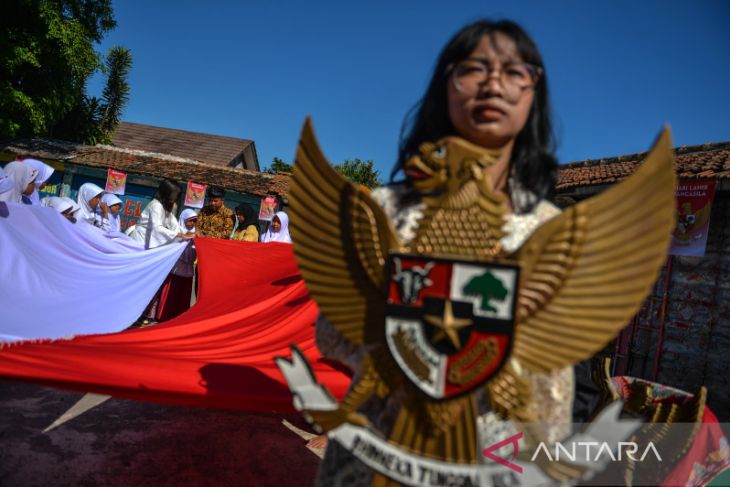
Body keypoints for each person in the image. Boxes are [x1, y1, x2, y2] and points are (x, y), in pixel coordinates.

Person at [313, 19, 576, 483]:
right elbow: (331, 333)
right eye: (474, 67)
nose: (494, 81)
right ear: (445, 86)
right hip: (375, 454)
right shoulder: (383, 210)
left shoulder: (551, 231)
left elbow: (551, 383)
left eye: (516, 70)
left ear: (535, 92)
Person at [128, 179, 192, 249]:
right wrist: (180, 235)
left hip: (146, 240)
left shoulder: (165, 208)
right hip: (140, 240)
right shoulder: (156, 205)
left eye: (177, 194)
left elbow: (174, 225)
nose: (175, 196)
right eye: (173, 193)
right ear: (166, 192)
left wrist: (187, 233)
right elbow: (157, 228)